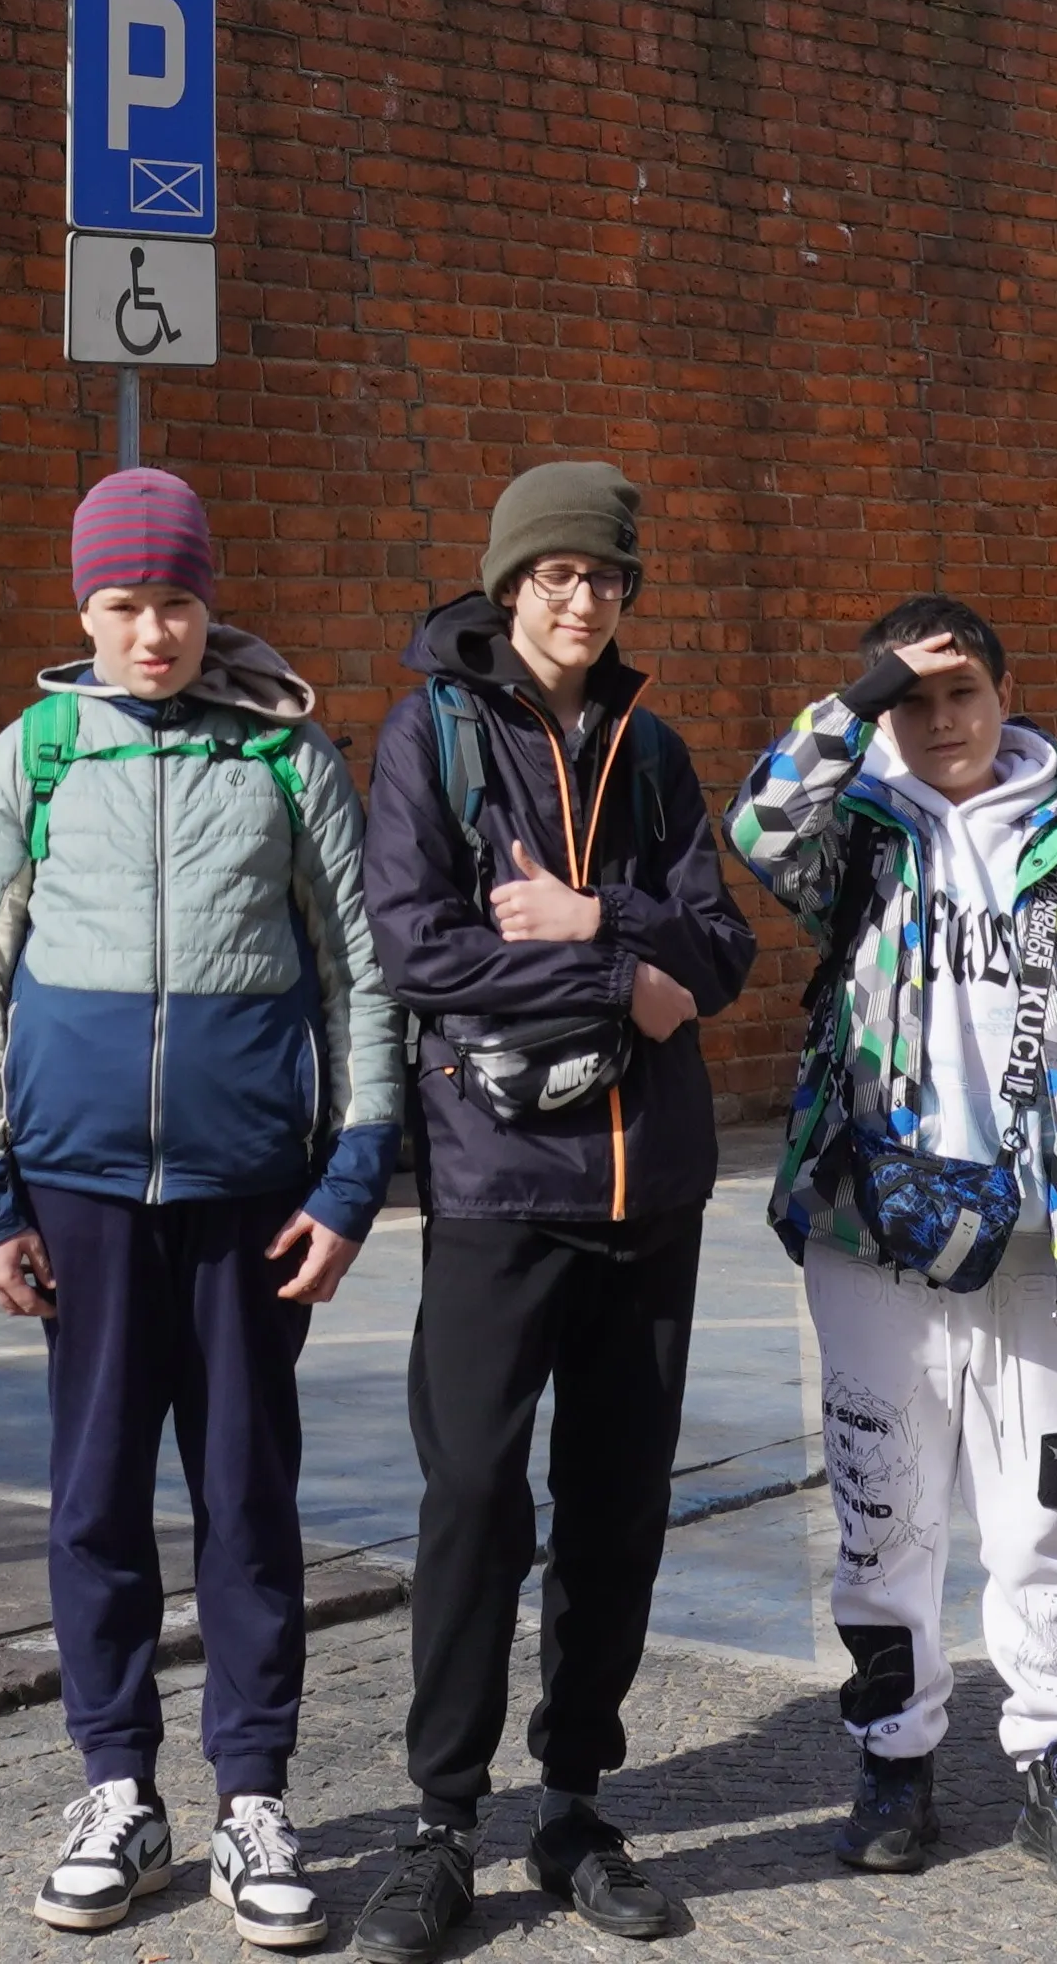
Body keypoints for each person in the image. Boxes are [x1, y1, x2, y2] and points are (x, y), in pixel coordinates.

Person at [0, 468, 397, 1951]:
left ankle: (254, 1793)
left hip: (252, 1197)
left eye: (177, 602)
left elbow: (359, 977)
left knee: (250, 1498)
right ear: (85, 609)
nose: (154, 632)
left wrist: (351, 1174)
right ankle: (116, 1784)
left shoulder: (285, 755)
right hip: (77, 1193)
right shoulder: (40, 755)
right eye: (126, 605)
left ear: (210, 602)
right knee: (95, 1497)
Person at [354, 460, 758, 1957]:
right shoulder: (433, 736)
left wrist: (599, 921)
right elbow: (422, 949)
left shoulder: (651, 752)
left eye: (605, 576)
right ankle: (439, 1818)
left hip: (650, 1182)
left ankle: (576, 1799)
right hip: (497, 1179)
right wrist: (618, 978)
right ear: (508, 581)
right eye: (556, 573)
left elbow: (719, 953)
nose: (581, 598)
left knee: (616, 1507)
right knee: (471, 1494)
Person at [724, 595, 1057, 1896]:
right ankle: (894, 1758)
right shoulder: (858, 832)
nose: (942, 719)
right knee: (886, 1513)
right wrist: (858, 692)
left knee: (1046, 1506)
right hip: (877, 1231)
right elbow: (757, 821)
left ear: (1004, 692)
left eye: (962, 690)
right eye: (913, 698)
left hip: (1048, 1244)